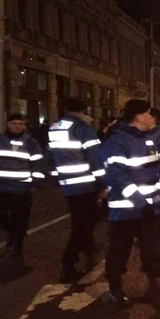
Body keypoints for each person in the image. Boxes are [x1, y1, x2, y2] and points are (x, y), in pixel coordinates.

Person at [100, 100, 160, 308]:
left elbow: (153, 173)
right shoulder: (117, 140)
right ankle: (115, 291)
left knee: (152, 250)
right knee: (119, 252)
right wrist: (141, 203)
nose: (151, 118)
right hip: (125, 211)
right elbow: (117, 177)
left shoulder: (146, 138)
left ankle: (157, 290)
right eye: (148, 114)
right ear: (138, 116)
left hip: (149, 210)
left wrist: (157, 200)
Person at [47, 98, 106, 283]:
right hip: (85, 183)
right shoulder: (83, 128)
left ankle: (89, 249)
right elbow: (95, 157)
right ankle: (68, 264)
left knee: (81, 221)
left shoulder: (55, 127)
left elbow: (50, 155)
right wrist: (103, 183)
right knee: (83, 225)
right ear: (83, 110)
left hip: (68, 182)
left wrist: (56, 176)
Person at [0, 113, 45, 260]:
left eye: (20, 124)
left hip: (22, 188)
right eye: (14, 123)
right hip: (0, 186)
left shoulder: (31, 143)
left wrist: (35, 182)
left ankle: (17, 246)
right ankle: (12, 232)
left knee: (20, 218)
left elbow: (38, 164)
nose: (17, 126)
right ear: (8, 124)